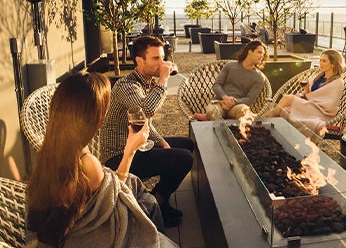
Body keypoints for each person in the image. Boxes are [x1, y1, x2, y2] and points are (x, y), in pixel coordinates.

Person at [26, 72, 177, 247]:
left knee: (146, 199)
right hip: (92, 237)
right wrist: (130, 150)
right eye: (105, 107)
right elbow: (113, 199)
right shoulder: (86, 163)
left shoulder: (51, 152)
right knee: (148, 203)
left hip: (63, 231)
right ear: (92, 117)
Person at [100, 36, 194, 228]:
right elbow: (146, 111)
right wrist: (164, 78)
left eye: (162, 57)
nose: (162, 63)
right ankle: (155, 207)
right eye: (156, 59)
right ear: (139, 61)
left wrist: (161, 142)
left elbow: (143, 124)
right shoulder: (127, 86)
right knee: (183, 158)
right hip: (120, 155)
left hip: (136, 145)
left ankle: (158, 200)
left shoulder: (146, 82)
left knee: (187, 144)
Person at [265, 49, 345, 137]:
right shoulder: (319, 76)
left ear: (333, 64)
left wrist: (307, 96)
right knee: (285, 110)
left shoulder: (337, 82)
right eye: (320, 60)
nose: (321, 63)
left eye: (324, 61)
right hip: (309, 105)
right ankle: (278, 135)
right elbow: (312, 94)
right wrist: (306, 90)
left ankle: (266, 120)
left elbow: (330, 104)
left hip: (321, 111)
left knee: (288, 98)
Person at [194, 40, 268, 121]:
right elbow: (217, 85)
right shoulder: (230, 66)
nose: (262, 56)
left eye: (263, 54)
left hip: (238, 105)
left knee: (244, 111)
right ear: (250, 52)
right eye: (259, 52)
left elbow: (250, 99)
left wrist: (233, 102)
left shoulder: (259, 77)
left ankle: (235, 131)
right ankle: (220, 130)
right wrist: (225, 98)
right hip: (219, 102)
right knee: (213, 112)